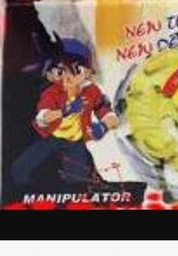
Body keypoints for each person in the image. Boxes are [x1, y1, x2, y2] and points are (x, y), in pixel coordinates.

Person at [11, 34, 118, 189]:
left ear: (88, 72)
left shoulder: (91, 91)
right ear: (50, 75)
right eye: (60, 72)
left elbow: (109, 114)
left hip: (76, 142)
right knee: (21, 169)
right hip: (53, 137)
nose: (68, 77)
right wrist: (64, 111)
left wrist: (103, 127)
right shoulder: (52, 93)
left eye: (76, 70)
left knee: (77, 180)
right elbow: (43, 117)